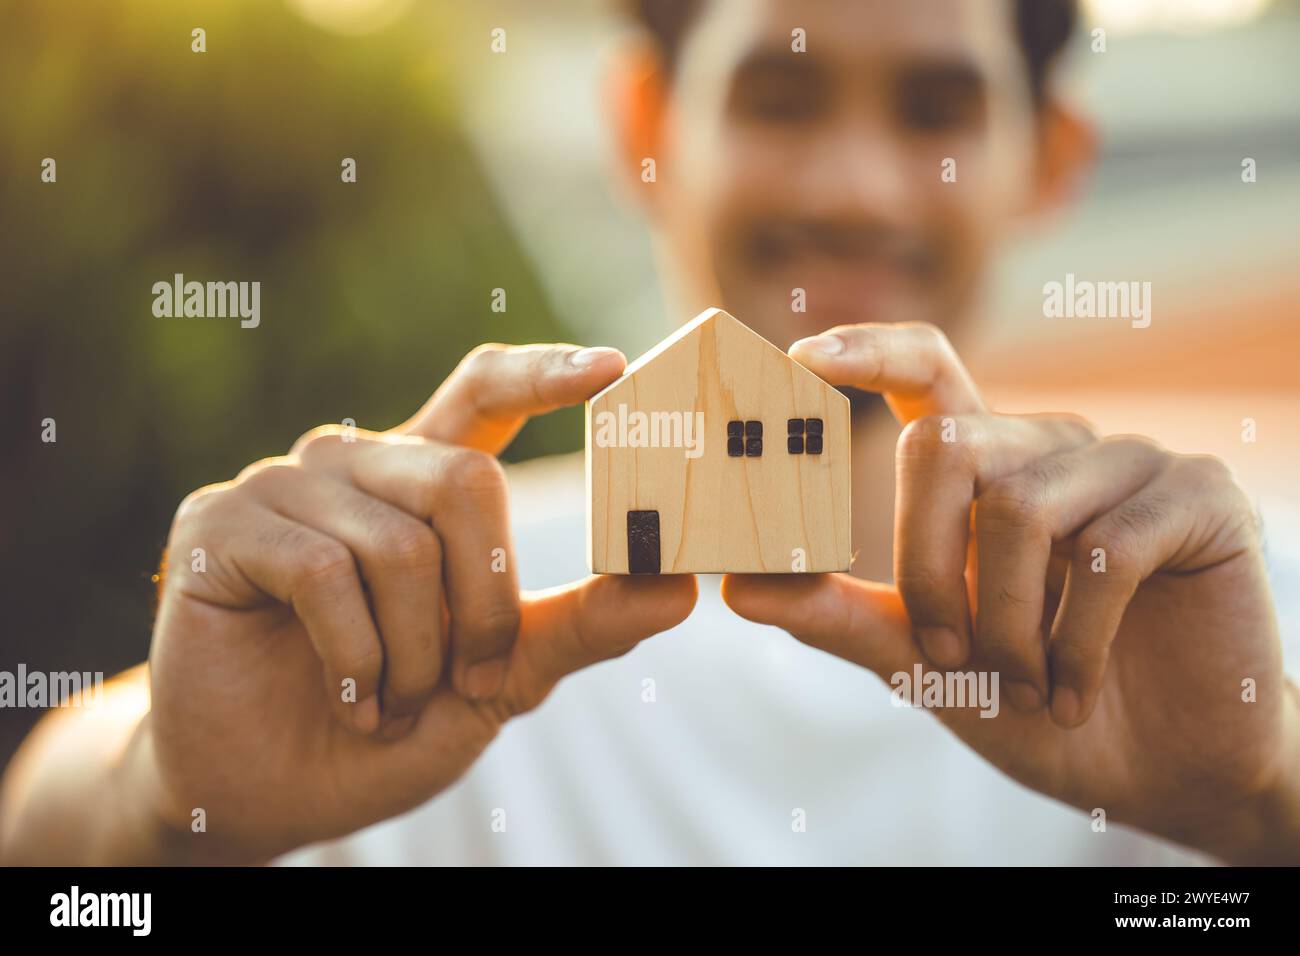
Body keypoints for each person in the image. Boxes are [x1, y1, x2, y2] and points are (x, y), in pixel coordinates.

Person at [2, 0, 1298, 866]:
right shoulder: (429, 613)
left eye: (935, 109)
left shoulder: (1222, 610)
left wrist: (1260, 801)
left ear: (1053, 158)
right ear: (644, 129)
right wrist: (158, 803)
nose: (854, 187)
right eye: (780, 96)